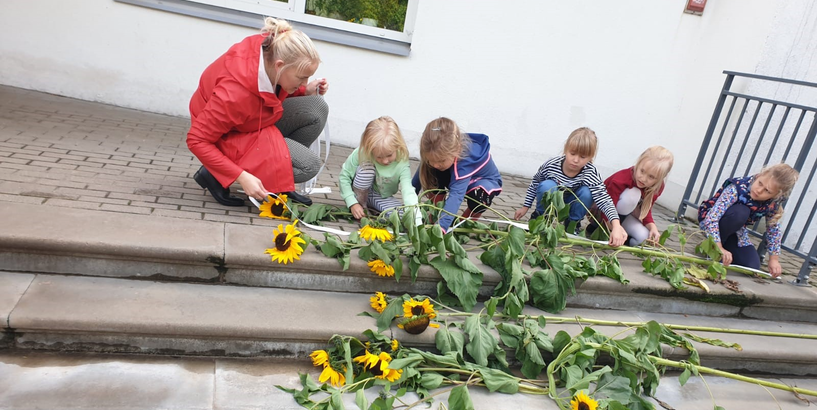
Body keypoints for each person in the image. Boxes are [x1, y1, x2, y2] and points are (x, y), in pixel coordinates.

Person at [187, 17, 329, 207]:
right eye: (301, 77)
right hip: (229, 133)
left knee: (316, 107)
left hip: (251, 119)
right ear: (280, 66)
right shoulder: (233, 93)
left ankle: (279, 180)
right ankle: (215, 172)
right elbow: (197, 139)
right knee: (308, 165)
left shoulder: (272, 51)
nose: (303, 82)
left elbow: (268, 92)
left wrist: (305, 90)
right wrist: (242, 177)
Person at [513, 127, 628, 247]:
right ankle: (541, 219)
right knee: (546, 185)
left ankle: (572, 225)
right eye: (572, 154)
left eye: (583, 157)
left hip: (572, 204)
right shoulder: (552, 165)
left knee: (587, 192)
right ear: (566, 150)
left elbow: (604, 199)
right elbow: (535, 183)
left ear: (591, 157)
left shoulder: (590, 173)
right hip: (553, 204)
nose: (576, 160)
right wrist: (525, 207)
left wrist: (616, 225)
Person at [698, 163, 799, 278]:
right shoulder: (737, 187)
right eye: (760, 183)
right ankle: (712, 247)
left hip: (737, 230)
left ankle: (723, 251)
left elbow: (773, 229)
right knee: (741, 212)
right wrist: (719, 247)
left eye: (767, 191)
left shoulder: (773, 203)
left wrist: (774, 259)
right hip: (713, 223)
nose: (759, 190)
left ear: (776, 195)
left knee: (752, 267)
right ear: (759, 175)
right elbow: (712, 218)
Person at [411, 117, 502, 233]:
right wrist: (408, 207)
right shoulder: (436, 154)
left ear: (457, 150)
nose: (435, 164)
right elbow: (416, 182)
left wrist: (442, 228)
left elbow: (456, 196)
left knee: (478, 197)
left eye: (441, 161)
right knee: (431, 172)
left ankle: (467, 221)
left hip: (483, 182)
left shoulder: (466, 162)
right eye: (431, 160)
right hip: (455, 173)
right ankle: (436, 213)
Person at [588, 146, 674, 246]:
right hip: (601, 213)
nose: (643, 178)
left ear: (660, 178)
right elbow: (606, 207)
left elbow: (645, 210)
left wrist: (652, 227)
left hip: (624, 217)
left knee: (644, 238)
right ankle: (602, 228)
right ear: (638, 163)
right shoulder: (621, 179)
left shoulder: (657, 187)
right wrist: (615, 227)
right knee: (633, 194)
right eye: (642, 171)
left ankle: (622, 239)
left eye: (651, 177)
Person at [339, 116, 419, 222]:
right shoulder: (361, 153)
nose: (385, 161)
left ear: (397, 146)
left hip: (380, 195)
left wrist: (416, 218)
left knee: (400, 216)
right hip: (359, 190)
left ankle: (373, 207)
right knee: (367, 170)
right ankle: (360, 205)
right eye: (379, 157)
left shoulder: (402, 160)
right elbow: (344, 177)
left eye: (389, 155)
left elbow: (407, 189)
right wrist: (352, 202)